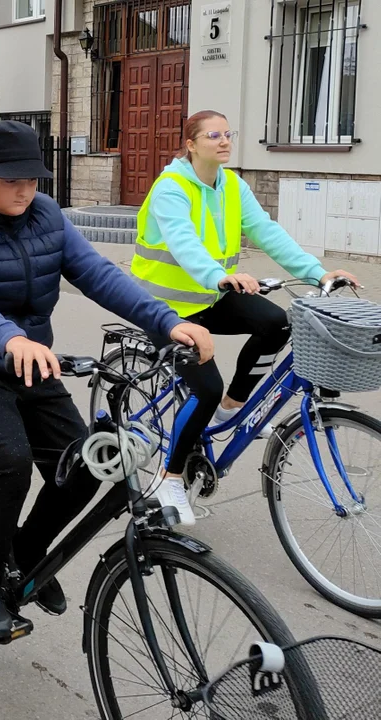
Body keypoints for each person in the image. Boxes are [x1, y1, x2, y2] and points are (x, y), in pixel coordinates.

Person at [0, 120, 213, 640]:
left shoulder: (47, 216)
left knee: (86, 462)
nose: (24, 189)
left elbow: (99, 275)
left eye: (32, 179)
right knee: (9, 460)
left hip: (32, 362)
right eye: (11, 179)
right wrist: (9, 337)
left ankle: (25, 552)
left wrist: (167, 322)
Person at [133, 109, 359, 501]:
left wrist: (317, 273)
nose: (224, 141)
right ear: (190, 144)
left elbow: (267, 232)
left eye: (228, 134)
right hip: (165, 309)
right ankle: (169, 479)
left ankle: (232, 406)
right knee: (205, 387)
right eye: (213, 135)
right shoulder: (171, 188)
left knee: (277, 322)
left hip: (211, 299)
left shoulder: (233, 185)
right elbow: (183, 242)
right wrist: (217, 275)